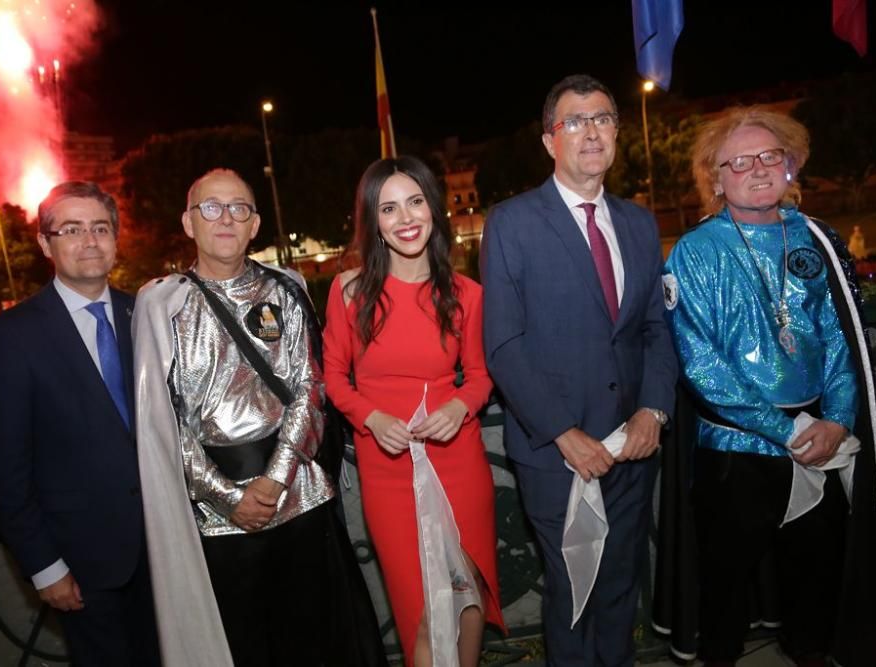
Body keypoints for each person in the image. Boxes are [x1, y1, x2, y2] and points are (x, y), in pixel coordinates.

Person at [132, 168, 384, 667]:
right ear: (188, 222)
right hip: (218, 519)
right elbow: (163, 424)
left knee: (321, 642)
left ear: (255, 224)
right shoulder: (161, 304)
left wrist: (274, 480)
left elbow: (309, 390)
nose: (225, 218)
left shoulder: (285, 290)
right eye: (211, 207)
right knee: (247, 647)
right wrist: (229, 498)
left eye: (238, 208)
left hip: (300, 498)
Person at [661, 106, 876, 667]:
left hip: (821, 443)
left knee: (816, 582)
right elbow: (700, 362)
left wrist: (835, 420)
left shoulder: (819, 240)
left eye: (770, 156)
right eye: (739, 162)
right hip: (737, 450)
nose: (757, 169)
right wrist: (788, 429)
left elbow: (841, 340)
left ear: (791, 165)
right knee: (726, 591)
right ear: (715, 178)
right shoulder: (696, 251)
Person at [480, 74, 678, 666]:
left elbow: (654, 330)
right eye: (574, 121)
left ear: (617, 132)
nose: (590, 131)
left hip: (630, 450)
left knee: (620, 589)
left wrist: (654, 409)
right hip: (555, 455)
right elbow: (504, 346)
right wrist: (566, 434)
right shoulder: (512, 222)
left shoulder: (640, 223)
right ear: (549, 141)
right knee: (572, 594)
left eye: (603, 119)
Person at [322, 155, 503, 667]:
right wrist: (370, 418)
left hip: (458, 461)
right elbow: (333, 376)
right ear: (373, 222)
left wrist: (459, 406)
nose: (405, 218)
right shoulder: (349, 291)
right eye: (389, 208)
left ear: (433, 209)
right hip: (389, 470)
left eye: (416, 202)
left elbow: (483, 375)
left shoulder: (467, 294)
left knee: (468, 597)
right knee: (419, 608)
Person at [0, 181, 159, 666]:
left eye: (100, 228)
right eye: (71, 229)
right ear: (45, 244)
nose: (89, 241)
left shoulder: (146, 315)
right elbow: (8, 469)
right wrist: (43, 567)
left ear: (116, 238)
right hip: (82, 562)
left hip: (165, 551)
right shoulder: (12, 337)